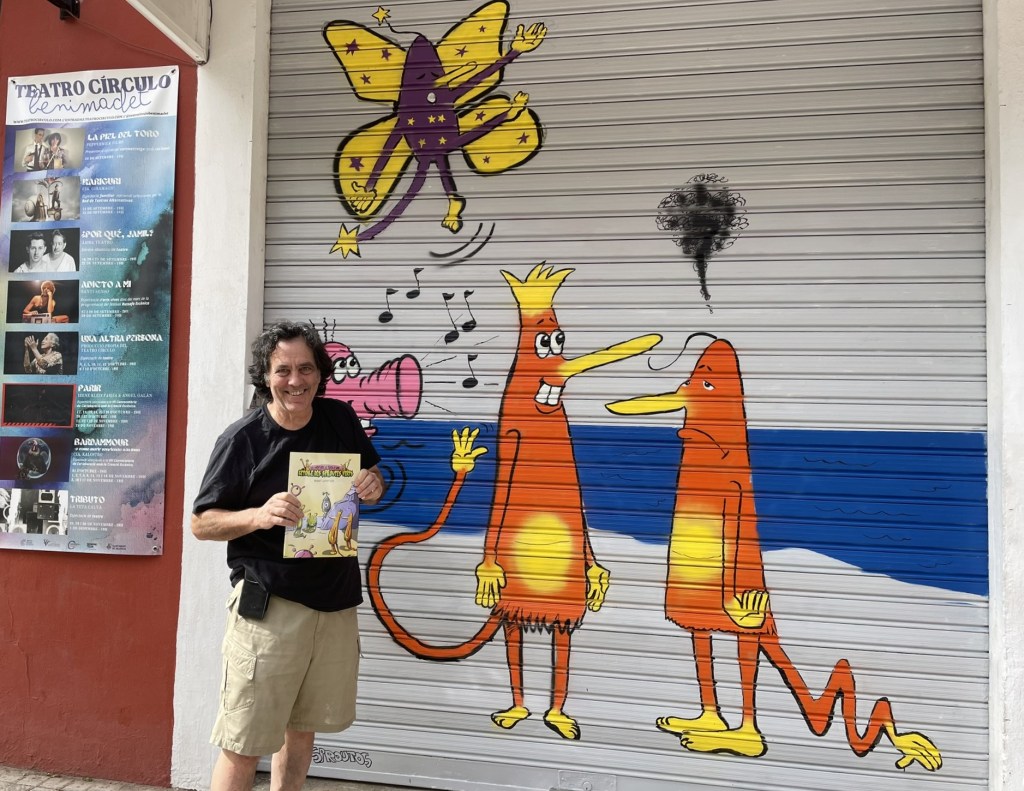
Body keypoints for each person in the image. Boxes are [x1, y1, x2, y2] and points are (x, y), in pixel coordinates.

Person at [192, 321, 386, 791]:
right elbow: (202, 523)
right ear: (265, 376)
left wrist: (374, 484)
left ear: (321, 373)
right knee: (243, 743)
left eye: (306, 368)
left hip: (334, 605)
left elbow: (373, 475)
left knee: (301, 732)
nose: (295, 380)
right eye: (283, 370)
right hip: (269, 611)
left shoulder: (339, 419)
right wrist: (258, 516)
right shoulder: (243, 439)